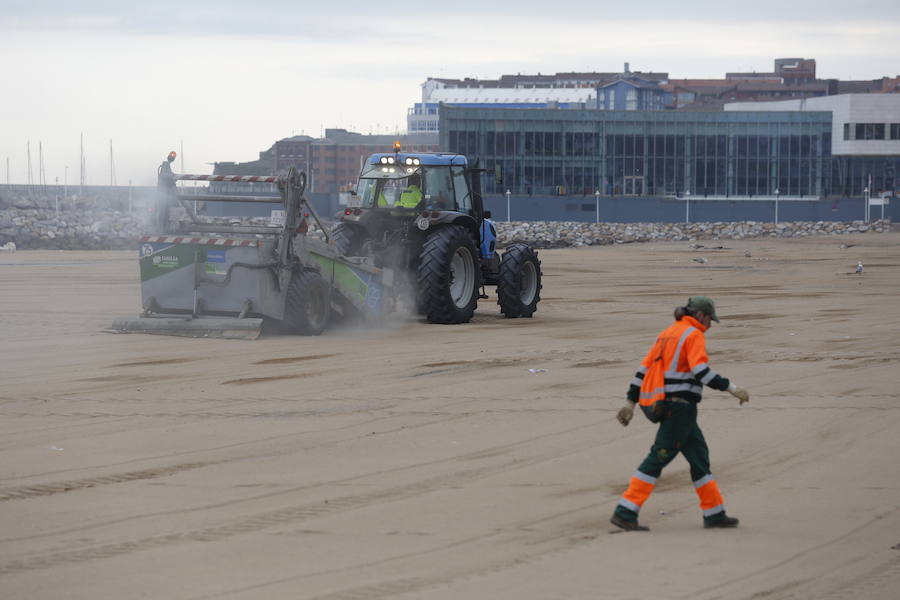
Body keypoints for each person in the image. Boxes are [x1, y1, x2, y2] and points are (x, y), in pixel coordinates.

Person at [610, 296, 750, 531]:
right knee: (658, 458)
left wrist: (630, 403)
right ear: (701, 316)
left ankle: (714, 513)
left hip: (669, 407)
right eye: (709, 321)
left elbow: (643, 370)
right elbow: (700, 371)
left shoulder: (668, 333)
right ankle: (625, 511)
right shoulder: (693, 335)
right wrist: (732, 388)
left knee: (699, 459)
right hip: (680, 409)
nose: (709, 326)